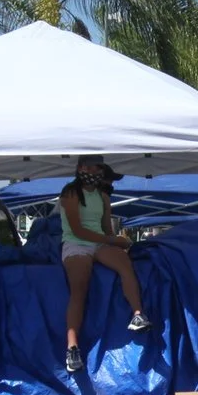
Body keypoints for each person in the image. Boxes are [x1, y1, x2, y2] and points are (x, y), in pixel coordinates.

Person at [58, 156, 153, 374]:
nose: (95, 172)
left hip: (99, 243)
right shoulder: (70, 193)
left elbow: (106, 229)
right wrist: (113, 240)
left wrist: (117, 243)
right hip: (75, 242)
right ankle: (72, 347)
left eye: (98, 168)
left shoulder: (102, 196)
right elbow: (77, 230)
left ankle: (138, 313)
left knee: (125, 264)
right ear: (81, 168)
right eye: (91, 167)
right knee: (79, 288)